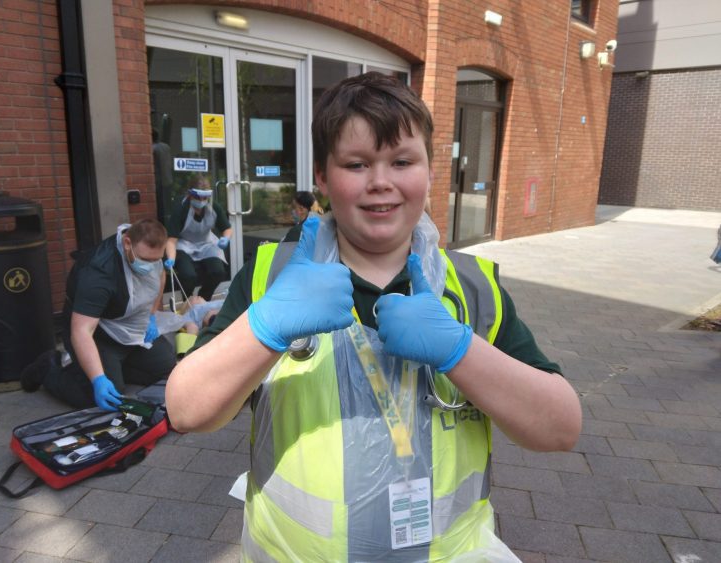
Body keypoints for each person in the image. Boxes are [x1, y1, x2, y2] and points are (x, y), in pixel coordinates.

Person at [166, 72, 582, 561]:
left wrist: (459, 350)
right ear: (322, 177)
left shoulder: (472, 291)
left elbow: (560, 428)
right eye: (357, 163)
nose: (381, 182)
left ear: (430, 171)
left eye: (402, 161)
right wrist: (267, 324)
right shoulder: (271, 278)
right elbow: (186, 411)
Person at [21, 219, 176, 411]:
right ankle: (49, 370)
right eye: (145, 260)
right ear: (127, 243)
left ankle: (114, 367)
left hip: (132, 326)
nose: (151, 265)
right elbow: (81, 331)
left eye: (156, 259)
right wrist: (98, 379)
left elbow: (159, 276)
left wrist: (152, 315)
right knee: (104, 396)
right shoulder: (99, 272)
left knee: (167, 367)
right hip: (99, 332)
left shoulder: (150, 256)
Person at [164, 175, 233, 300]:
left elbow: (227, 229)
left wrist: (226, 238)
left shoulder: (214, 207)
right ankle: (188, 301)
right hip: (183, 244)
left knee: (218, 272)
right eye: (197, 197)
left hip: (206, 243)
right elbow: (171, 240)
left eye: (205, 197)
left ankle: (203, 299)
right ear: (190, 194)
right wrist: (171, 258)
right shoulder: (181, 209)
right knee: (188, 276)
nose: (201, 200)